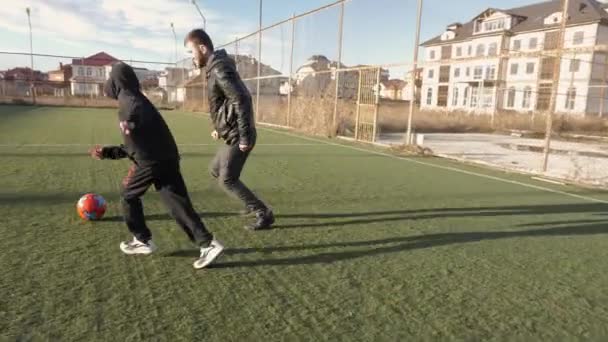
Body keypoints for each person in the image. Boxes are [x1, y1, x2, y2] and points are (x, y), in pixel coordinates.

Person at [90, 62, 223, 269]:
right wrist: (109, 152)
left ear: (116, 82)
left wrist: (128, 137)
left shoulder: (129, 104)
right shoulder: (136, 99)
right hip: (168, 156)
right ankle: (208, 244)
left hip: (152, 160)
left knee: (128, 195)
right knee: (177, 205)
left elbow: (134, 144)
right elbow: (135, 144)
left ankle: (142, 240)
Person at [184, 28, 275, 230]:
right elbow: (224, 102)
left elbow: (241, 98)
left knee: (227, 180)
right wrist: (218, 126)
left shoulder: (218, 68)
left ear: (202, 48)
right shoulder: (214, 67)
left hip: (239, 135)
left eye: (191, 52)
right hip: (231, 132)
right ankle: (250, 204)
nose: (191, 58)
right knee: (215, 170)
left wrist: (244, 136)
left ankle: (263, 213)